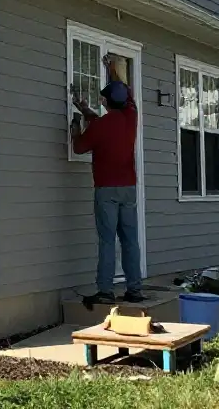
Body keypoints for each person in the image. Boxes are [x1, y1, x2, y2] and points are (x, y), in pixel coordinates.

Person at [71, 54, 143, 306]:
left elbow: (79, 147)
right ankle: (134, 289)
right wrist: (111, 69)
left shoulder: (100, 127)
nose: (99, 101)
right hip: (129, 189)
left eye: (102, 98)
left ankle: (105, 291)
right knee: (130, 240)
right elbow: (124, 96)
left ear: (106, 102)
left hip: (106, 191)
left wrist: (76, 125)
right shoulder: (131, 116)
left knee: (107, 241)